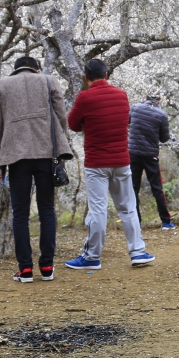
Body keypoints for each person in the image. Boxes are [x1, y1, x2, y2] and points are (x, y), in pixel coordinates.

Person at [0, 56, 72, 283]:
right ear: (36, 69)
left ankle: (25, 269)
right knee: (47, 211)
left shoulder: (1, 86)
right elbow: (61, 117)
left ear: (16, 70)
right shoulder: (49, 80)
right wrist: (60, 146)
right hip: (46, 153)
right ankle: (47, 266)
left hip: (16, 156)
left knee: (20, 214)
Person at [65, 59, 154, 270]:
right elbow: (124, 120)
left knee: (98, 210)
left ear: (86, 78)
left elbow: (72, 124)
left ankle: (92, 257)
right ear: (106, 75)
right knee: (128, 207)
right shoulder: (121, 95)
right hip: (121, 161)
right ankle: (138, 252)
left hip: (96, 163)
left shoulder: (84, 97)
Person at [128, 93, 174, 230]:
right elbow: (164, 138)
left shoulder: (135, 108)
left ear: (145, 98)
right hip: (150, 155)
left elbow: (128, 122)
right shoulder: (161, 115)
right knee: (157, 187)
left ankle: (136, 222)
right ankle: (166, 222)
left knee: (133, 188)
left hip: (133, 153)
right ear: (159, 101)